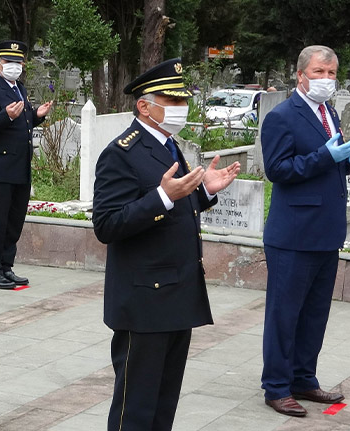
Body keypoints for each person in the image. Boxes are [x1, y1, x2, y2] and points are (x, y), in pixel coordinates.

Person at [92, 58, 240, 431]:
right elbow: (107, 224)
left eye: (181, 101)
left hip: (176, 293)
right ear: (145, 106)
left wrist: (204, 190)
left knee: (163, 403)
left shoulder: (168, 145)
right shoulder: (121, 153)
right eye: (171, 101)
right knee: (136, 409)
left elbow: (175, 202)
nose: (180, 109)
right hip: (144, 300)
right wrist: (161, 196)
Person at [260, 45, 350, 417]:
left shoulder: (328, 113)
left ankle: (303, 378)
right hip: (293, 234)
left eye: (332, 74)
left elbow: (325, 170)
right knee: (284, 314)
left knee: (314, 314)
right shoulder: (282, 116)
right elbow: (278, 170)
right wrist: (326, 157)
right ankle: (276, 387)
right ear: (300, 74)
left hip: (325, 232)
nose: (326, 80)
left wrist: (348, 163)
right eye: (319, 72)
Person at [0, 40, 53, 289]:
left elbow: (22, 123)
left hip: (19, 167)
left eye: (18, 63)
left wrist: (35, 115)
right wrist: (5, 115)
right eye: (9, 62)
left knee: (15, 220)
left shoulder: (20, 89)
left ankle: (6, 267)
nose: (14, 67)